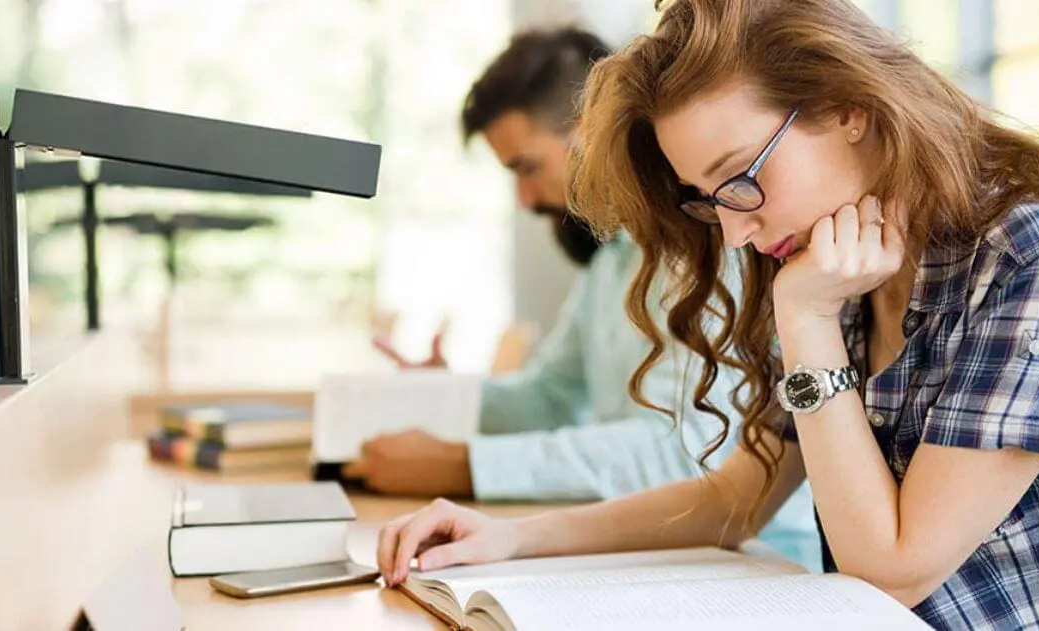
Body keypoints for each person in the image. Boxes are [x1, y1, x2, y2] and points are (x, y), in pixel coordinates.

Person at [376, 1, 1039, 628]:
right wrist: (510, 537)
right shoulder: (842, 270)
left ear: (850, 110)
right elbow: (737, 497)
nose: (735, 230)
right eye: (709, 198)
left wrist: (806, 325)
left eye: (739, 178)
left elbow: (892, 570)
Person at [348, 26, 821, 570]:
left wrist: (466, 465)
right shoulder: (613, 256)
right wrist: (442, 397)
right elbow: (553, 394)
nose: (525, 200)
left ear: (588, 133)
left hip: (755, 558)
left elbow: (684, 454)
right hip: (652, 540)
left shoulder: (716, 245)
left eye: (527, 168)